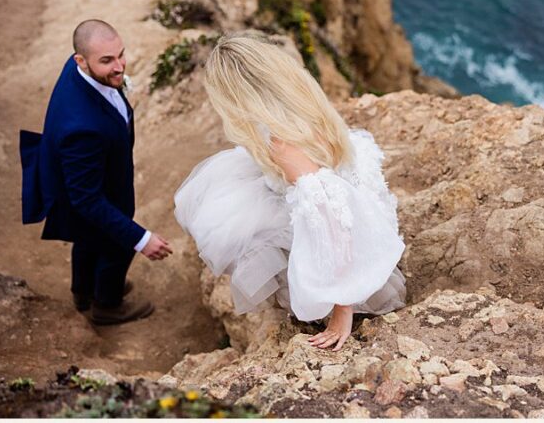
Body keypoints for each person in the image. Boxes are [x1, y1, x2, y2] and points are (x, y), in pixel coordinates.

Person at [174, 32, 406, 351]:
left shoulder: (281, 145)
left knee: (240, 226)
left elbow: (332, 215)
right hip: (352, 196)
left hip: (345, 226)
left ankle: (334, 295)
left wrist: (342, 309)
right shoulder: (301, 103)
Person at [22, 19, 174, 326]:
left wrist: (108, 70)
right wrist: (141, 239)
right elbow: (88, 201)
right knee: (117, 245)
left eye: (121, 55)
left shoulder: (79, 70)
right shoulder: (83, 129)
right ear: (81, 60)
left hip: (86, 174)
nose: (119, 67)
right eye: (107, 61)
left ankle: (83, 292)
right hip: (91, 190)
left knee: (87, 237)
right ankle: (107, 303)